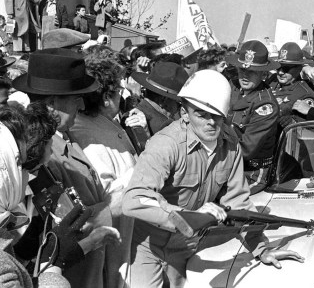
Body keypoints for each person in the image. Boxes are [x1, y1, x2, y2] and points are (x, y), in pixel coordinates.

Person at [122, 69, 304, 288]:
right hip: (149, 245)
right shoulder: (166, 144)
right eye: (201, 114)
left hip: (187, 244)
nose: (211, 123)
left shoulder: (230, 144)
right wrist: (186, 216)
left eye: (217, 115)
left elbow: (238, 203)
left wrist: (261, 249)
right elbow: (134, 199)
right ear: (184, 113)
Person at [11, 48, 120, 288]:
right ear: (51, 105)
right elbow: (65, 223)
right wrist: (118, 203)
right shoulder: (40, 155)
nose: (82, 104)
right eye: (75, 97)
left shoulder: (64, 138)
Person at [69, 48, 145, 288]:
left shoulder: (103, 123)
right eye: (119, 91)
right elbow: (106, 201)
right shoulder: (87, 137)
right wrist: (145, 169)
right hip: (109, 258)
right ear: (105, 98)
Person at [225, 40, 280, 194]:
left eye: (252, 72)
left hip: (251, 172)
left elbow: (247, 149)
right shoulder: (233, 86)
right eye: (242, 70)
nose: (244, 76)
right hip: (227, 165)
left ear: (263, 74)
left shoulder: (266, 105)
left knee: (224, 202)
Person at [266, 42, 314, 129]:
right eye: (278, 68)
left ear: (298, 69)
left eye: (286, 69)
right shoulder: (272, 81)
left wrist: (293, 121)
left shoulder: (305, 93)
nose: (280, 72)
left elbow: (308, 126)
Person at [132, 61, 189, 135]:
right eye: (178, 103)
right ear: (163, 100)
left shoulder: (131, 114)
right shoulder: (166, 127)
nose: (178, 110)